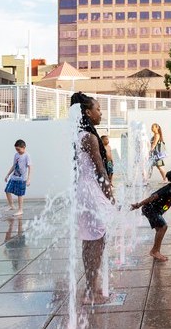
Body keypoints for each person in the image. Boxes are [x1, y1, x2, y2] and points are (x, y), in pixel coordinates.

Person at [70, 92, 115, 305]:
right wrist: (110, 194)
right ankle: (91, 291)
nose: (101, 112)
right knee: (97, 240)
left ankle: (91, 287)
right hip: (92, 191)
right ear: (87, 112)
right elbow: (100, 170)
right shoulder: (89, 137)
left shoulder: (77, 136)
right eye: (98, 109)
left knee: (90, 240)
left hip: (82, 191)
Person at [131, 167, 171, 261]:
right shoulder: (168, 189)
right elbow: (153, 197)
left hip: (153, 210)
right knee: (163, 227)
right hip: (150, 209)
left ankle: (156, 251)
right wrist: (138, 205)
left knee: (160, 229)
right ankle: (155, 251)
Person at [4, 139, 31, 216]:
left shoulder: (27, 156)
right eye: (16, 149)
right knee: (7, 190)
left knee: (20, 194)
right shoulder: (16, 155)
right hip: (14, 177)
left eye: (18, 149)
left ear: (24, 147)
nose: (17, 151)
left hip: (22, 178)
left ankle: (20, 209)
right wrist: (7, 174)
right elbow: (14, 166)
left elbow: (30, 167)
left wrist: (29, 179)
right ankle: (11, 205)